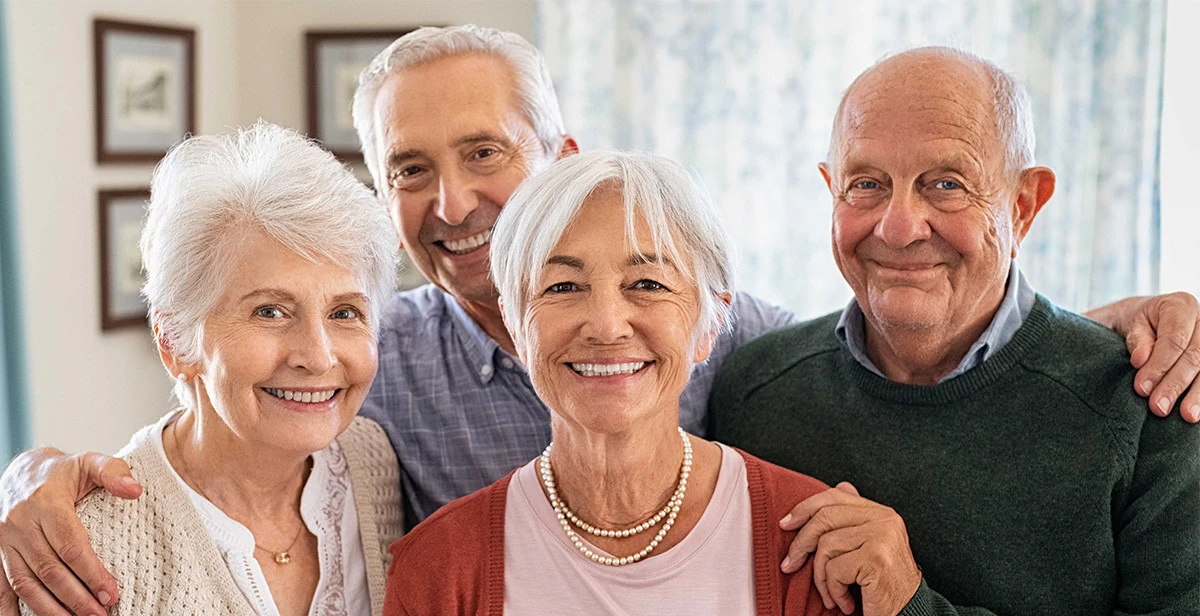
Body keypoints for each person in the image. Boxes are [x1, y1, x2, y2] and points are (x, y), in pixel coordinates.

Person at [1, 25, 1199, 616]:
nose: (455, 200)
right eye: (410, 168)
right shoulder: (369, 386)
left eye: (485, 152)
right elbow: (215, 397)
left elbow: (913, 332)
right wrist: (40, 477)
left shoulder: (754, 366)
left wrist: (1098, 336)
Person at [708, 47, 1200, 615]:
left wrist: (909, 602)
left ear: (1022, 207)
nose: (897, 228)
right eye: (866, 183)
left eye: (945, 184)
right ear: (830, 190)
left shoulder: (1152, 411)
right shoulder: (753, 389)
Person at [385, 149, 862, 615]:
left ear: (710, 324)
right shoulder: (437, 566)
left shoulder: (808, 545)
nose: (607, 325)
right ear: (515, 324)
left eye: (648, 285)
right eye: (563, 287)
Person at [15, 123, 405, 615]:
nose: (319, 356)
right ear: (174, 341)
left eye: (345, 312)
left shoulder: (372, 462)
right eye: (270, 311)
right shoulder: (85, 547)